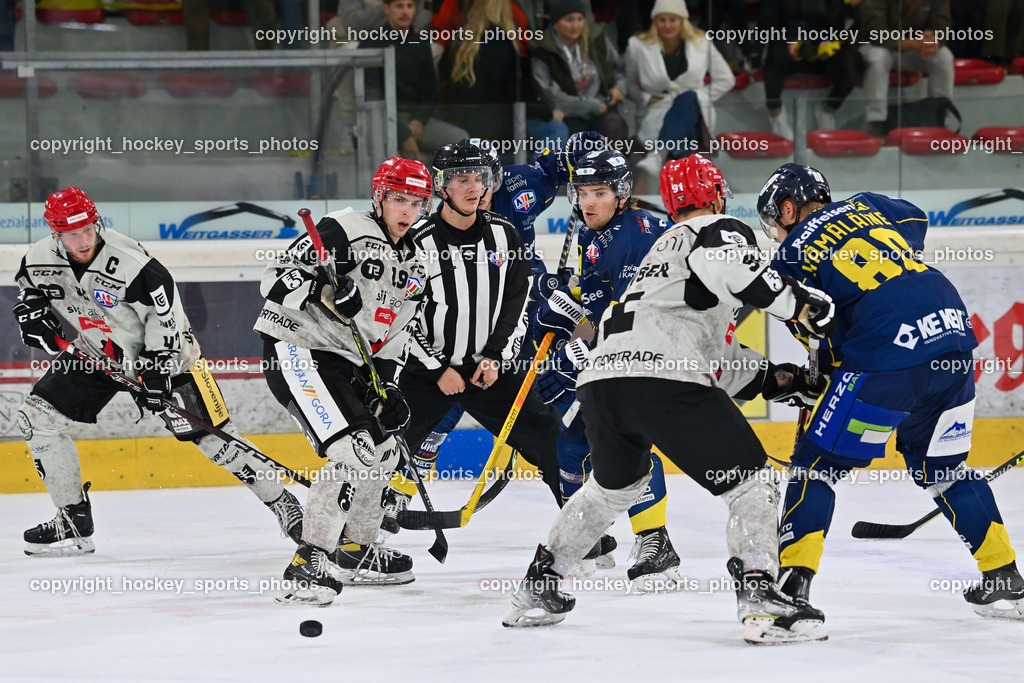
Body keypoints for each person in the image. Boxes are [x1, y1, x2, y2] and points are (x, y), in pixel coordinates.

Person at [503, 155, 836, 644]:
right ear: (717, 195)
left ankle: (541, 583)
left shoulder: (662, 254)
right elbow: (740, 277)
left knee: (610, 489)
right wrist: (805, 305)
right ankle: (762, 599)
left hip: (603, 381)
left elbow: (717, 356)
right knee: (752, 483)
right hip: (662, 378)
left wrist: (782, 380)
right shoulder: (718, 230)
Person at [757, 163, 1024, 621]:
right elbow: (917, 220)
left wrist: (816, 386)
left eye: (774, 223)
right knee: (944, 468)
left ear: (787, 208)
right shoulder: (870, 205)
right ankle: (1004, 575)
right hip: (954, 340)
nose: (775, 234)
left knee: (816, 468)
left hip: (888, 357)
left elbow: (822, 347)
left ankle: (792, 590)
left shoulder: (786, 263)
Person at [14, 187, 302, 556]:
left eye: (89, 228)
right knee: (36, 419)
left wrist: (156, 371)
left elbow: (167, 319)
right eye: (72, 234)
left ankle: (284, 505)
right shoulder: (39, 257)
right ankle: (72, 519)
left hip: (167, 358)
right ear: (55, 234)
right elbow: (29, 288)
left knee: (215, 439)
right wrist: (30, 313)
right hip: (97, 352)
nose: (84, 239)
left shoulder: (132, 263)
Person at [254, 157, 431, 605]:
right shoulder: (342, 229)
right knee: (352, 451)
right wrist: (323, 291)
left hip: (351, 363)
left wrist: (388, 387)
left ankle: (356, 549)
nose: (406, 211)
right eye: (398, 199)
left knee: (384, 448)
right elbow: (273, 280)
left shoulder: (417, 262)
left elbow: (397, 334)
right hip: (299, 348)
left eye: (415, 202)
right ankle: (308, 562)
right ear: (379, 196)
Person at [528, 147, 687, 584]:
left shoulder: (633, 235)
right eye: (581, 192)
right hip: (629, 351)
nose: (587, 202)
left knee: (623, 438)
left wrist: (575, 350)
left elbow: (634, 321)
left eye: (598, 192)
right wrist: (569, 303)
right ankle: (589, 537)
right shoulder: (599, 232)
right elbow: (604, 310)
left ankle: (657, 541)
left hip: (656, 354)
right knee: (573, 440)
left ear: (620, 193)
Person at [398, 141, 563, 507]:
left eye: (480, 178)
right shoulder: (414, 243)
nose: (474, 188)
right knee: (380, 451)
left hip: (490, 372)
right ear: (441, 186)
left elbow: (516, 307)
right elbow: (399, 321)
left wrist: (495, 358)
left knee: (553, 439)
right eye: (462, 179)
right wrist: (437, 369)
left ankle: (582, 538)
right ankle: (356, 541)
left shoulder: (505, 235)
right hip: (426, 376)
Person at [625, 0, 734, 175]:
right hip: (658, 108)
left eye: (673, 20)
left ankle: (658, 153)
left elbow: (727, 79)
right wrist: (646, 98)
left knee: (688, 98)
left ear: (683, 20)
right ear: (654, 21)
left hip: (694, 108)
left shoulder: (702, 42)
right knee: (685, 142)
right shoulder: (638, 45)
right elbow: (628, 83)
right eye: (662, 20)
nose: (667, 25)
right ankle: (687, 186)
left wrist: (700, 96)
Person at [356, 0, 469, 161]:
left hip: (415, 119)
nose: (405, 12)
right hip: (382, 122)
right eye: (399, 6)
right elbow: (374, 99)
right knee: (399, 153)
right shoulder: (370, 45)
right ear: (386, 9)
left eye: (410, 6)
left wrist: (419, 121)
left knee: (461, 139)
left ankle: (447, 186)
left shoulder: (420, 43)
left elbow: (431, 93)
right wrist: (403, 134)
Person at [759, 0, 861, 139]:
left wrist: (828, 41)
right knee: (775, 57)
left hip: (819, 47)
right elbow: (767, 23)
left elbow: (837, 23)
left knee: (852, 60)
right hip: (787, 44)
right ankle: (776, 114)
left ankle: (828, 110)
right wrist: (787, 40)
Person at [530, 0, 630, 142]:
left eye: (580, 19)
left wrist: (619, 87)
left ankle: (614, 163)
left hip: (603, 107)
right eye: (569, 20)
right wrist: (592, 106)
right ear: (555, 23)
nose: (575, 26)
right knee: (577, 142)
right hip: (569, 113)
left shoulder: (596, 39)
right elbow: (552, 97)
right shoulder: (543, 51)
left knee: (615, 126)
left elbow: (619, 69)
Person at [859, 0, 956, 137]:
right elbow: (875, 31)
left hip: (915, 47)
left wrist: (933, 40)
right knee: (878, 58)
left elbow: (942, 22)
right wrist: (910, 43)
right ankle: (876, 121)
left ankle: (941, 116)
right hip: (880, 45)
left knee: (944, 57)